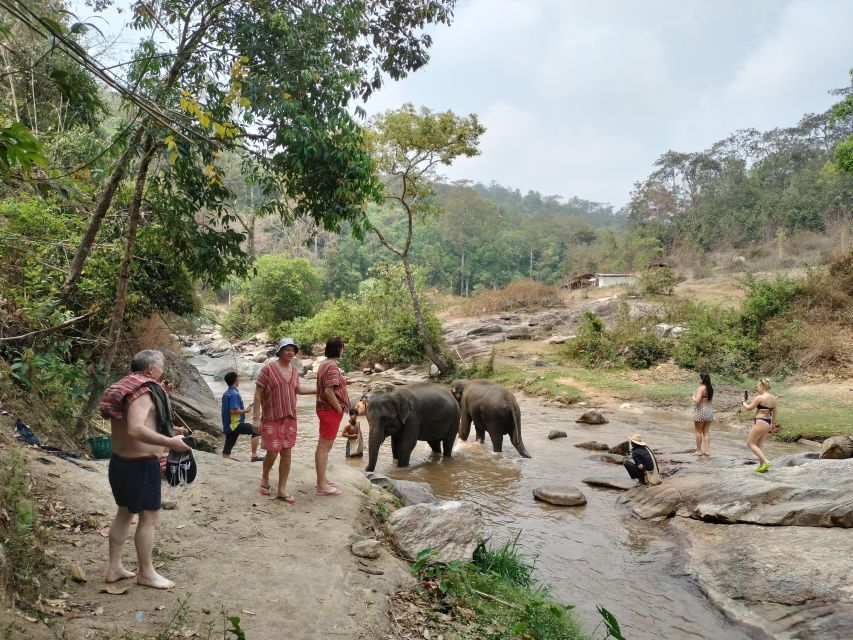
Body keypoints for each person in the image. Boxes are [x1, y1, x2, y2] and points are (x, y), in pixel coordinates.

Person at [98, 349, 190, 589]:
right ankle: (146, 573)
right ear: (151, 369)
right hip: (140, 465)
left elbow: (141, 424)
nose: (163, 370)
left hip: (120, 463)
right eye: (161, 366)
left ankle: (115, 568)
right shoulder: (145, 392)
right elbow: (136, 429)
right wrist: (170, 443)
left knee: (124, 513)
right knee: (149, 518)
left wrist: (171, 431)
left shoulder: (127, 386)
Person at [252, 338, 316, 503]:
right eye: (287, 349)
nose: (290, 352)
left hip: (290, 418)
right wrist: (256, 419)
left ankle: (281, 490)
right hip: (271, 417)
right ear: (279, 351)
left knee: (287, 453)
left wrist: (319, 389)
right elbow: (258, 394)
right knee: (272, 452)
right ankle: (265, 477)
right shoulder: (268, 369)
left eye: (293, 349)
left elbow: (298, 389)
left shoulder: (294, 370)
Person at [314, 337, 349, 495]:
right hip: (330, 411)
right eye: (342, 347)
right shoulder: (332, 366)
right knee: (324, 447)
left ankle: (322, 480)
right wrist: (339, 409)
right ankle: (322, 486)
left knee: (323, 446)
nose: (343, 350)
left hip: (324, 409)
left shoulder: (323, 364)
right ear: (338, 349)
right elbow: (329, 390)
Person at [220, 371, 261, 461]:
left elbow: (231, 409)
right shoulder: (234, 394)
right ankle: (254, 456)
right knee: (256, 430)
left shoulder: (227, 393)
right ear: (236, 380)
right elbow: (232, 411)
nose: (239, 380)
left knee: (226, 452)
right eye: (238, 378)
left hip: (229, 425)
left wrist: (244, 409)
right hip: (235, 424)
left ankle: (225, 461)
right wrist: (246, 411)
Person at [743, 378, 776, 473]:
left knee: (750, 443)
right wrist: (773, 423)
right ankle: (761, 466)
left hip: (760, 421)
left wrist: (743, 403)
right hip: (768, 422)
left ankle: (766, 462)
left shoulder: (759, 398)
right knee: (760, 444)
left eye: (758, 386)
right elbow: (775, 411)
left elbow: (749, 408)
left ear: (762, 386)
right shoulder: (773, 398)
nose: (757, 388)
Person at [691, 373, 714, 456]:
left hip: (700, 410)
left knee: (698, 432)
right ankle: (707, 451)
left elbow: (697, 401)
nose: (698, 380)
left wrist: (693, 397)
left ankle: (698, 451)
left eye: (699, 378)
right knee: (706, 432)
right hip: (709, 410)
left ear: (702, 379)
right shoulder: (710, 388)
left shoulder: (701, 388)